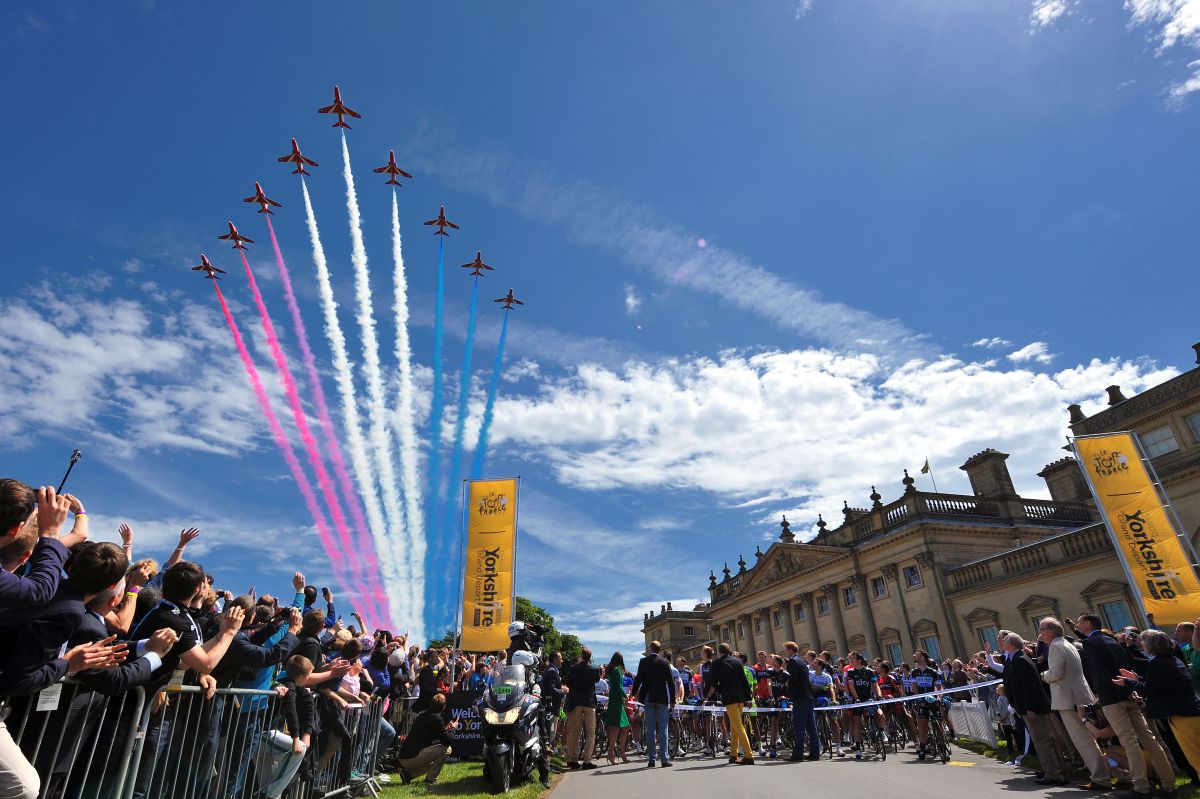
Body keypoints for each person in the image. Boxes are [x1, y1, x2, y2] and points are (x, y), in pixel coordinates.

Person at [1077, 612, 1177, 798]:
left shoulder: (1090, 642)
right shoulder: (1111, 639)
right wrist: (1129, 689)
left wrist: (1104, 693)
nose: (1077, 625)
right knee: (1149, 739)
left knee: (1129, 741)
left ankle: (1141, 786)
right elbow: (1126, 664)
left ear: (1088, 624)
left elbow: (1099, 671)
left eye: (1080, 622)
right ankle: (1169, 782)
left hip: (1112, 697)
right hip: (1128, 693)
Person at [1114, 629, 1197, 790]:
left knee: (1192, 755)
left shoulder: (1157, 663)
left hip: (1180, 714)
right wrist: (1137, 679)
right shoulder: (1170, 659)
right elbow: (1159, 685)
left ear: (1151, 645)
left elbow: (1150, 689)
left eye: (1143, 642)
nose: (1141, 644)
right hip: (1185, 711)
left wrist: (1128, 683)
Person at [1038, 616, 1112, 789]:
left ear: (1049, 632)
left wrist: (1044, 676)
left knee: (1083, 741)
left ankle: (1100, 778)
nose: (1039, 634)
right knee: (1090, 739)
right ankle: (1110, 774)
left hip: (1069, 699)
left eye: (1041, 630)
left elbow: (1056, 674)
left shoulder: (1055, 647)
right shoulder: (1066, 644)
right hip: (1079, 696)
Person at [1001, 632, 1073, 785]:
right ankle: (1059, 771)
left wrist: (1029, 708)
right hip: (1031, 707)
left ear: (1012, 645)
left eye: (1005, 641)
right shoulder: (1018, 659)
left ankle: (1054, 774)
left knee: (1042, 742)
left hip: (1033, 708)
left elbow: (1029, 687)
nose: (1002, 644)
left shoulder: (1020, 660)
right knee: (1047, 741)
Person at [396, 692, 458, 785]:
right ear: (444, 707)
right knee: (447, 749)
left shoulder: (424, 715)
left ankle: (408, 775)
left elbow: (432, 734)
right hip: (412, 758)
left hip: (404, 757)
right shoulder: (437, 719)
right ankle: (430, 780)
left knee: (434, 761)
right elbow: (448, 741)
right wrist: (453, 728)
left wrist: (445, 729)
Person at [708, 642, 754, 765]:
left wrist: (721, 689)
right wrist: (748, 697)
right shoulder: (737, 662)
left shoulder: (716, 664)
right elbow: (744, 681)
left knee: (738, 727)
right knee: (734, 726)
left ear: (719, 652)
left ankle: (749, 755)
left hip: (729, 697)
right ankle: (734, 754)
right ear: (729, 651)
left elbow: (713, 682)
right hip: (741, 697)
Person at [631, 640, 675, 768]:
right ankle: (665, 759)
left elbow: (638, 678)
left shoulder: (643, 662)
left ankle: (651, 759)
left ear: (650, 649)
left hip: (648, 697)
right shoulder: (665, 662)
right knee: (663, 728)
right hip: (662, 697)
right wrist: (672, 700)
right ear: (659, 650)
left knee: (650, 729)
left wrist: (633, 693)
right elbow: (671, 683)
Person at [564, 648, 600, 770]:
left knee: (575, 732)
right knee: (590, 732)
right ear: (590, 656)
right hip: (589, 702)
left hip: (576, 702)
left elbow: (568, 682)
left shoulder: (573, 668)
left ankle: (573, 760)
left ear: (581, 655)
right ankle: (587, 760)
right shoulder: (595, 669)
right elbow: (596, 680)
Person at [784, 641, 819, 761]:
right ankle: (815, 752)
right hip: (808, 696)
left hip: (799, 697)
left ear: (790, 650)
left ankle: (798, 754)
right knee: (811, 726)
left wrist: (788, 683)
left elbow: (794, 678)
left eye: (786, 649)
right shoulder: (801, 661)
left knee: (799, 726)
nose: (785, 652)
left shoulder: (793, 661)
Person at [604, 652, 632, 765]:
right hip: (617, 702)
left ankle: (620, 752)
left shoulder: (612, 670)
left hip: (615, 701)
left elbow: (615, 686)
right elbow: (618, 686)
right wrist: (625, 696)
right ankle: (612, 753)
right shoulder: (617, 670)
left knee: (623, 727)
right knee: (616, 728)